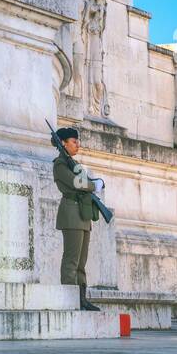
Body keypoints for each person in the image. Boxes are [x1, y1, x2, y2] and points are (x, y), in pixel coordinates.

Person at [53, 126, 102, 311]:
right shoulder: (60, 164)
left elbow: (81, 180)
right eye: (74, 142)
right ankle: (69, 298)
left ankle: (81, 299)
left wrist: (91, 183)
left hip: (83, 214)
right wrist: (93, 185)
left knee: (81, 263)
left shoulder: (73, 164)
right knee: (71, 260)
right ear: (63, 143)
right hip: (71, 214)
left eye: (77, 141)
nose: (77, 145)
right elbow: (75, 182)